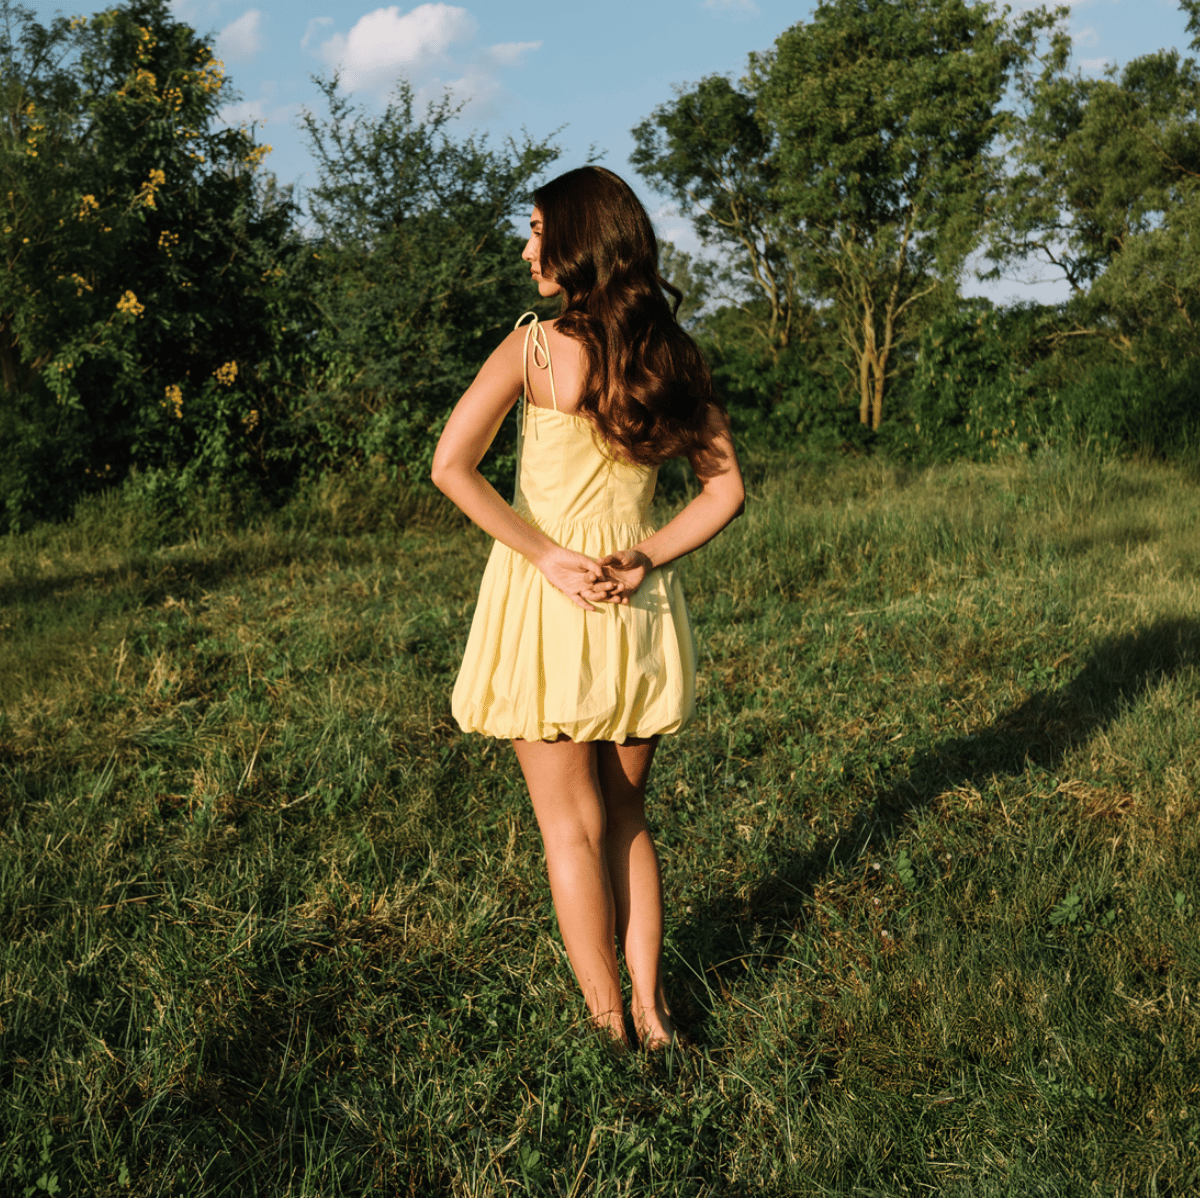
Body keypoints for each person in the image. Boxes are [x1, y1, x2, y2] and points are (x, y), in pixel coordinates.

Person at [431, 165, 745, 1050]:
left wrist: (544, 554)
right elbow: (725, 492)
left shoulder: (533, 349)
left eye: (537, 230)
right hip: (634, 604)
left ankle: (610, 1028)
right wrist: (643, 556)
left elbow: (451, 466)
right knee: (627, 817)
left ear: (577, 240)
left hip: (547, 601)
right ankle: (655, 1012)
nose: (526, 249)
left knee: (571, 829)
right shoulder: (672, 353)